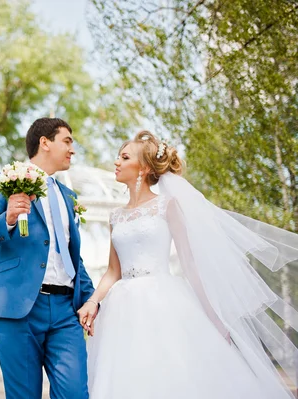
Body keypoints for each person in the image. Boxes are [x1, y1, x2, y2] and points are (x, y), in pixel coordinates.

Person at [78, 130, 298, 399]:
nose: (116, 162)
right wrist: (93, 302)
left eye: (124, 157)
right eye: (118, 157)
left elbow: (190, 265)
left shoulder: (167, 206)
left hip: (163, 301)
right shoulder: (116, 216)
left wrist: (215, 317)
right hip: (121, 310)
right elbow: (113, 271)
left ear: (144, 168)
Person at [0, 118, 95, 399]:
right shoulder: (4, 182)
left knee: (75, 393)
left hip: (65, 311)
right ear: (45, 142)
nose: (72, 149)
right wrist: (8, 218)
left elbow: (72, 256)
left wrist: (91, 298)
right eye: (67, 141)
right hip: (19, 308)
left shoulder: (68, 196)